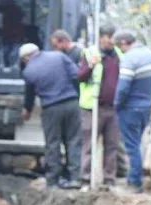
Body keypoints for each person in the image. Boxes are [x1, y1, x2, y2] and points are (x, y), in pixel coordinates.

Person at [21, 43, 83, 189]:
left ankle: (53, 181)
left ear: (26, 58)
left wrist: (27, 110)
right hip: (72, 103)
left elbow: (29, 95)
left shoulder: (29, 71)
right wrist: (76, 96)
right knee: (73, 140)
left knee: (52, 143)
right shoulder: (59, 56)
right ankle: (74, 178)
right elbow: (76, 75)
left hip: (51, 108)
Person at [113, 30, 151, 194]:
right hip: (146, 107)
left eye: (120, 47)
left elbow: (123, 87)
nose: (120, 50)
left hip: (130, 108)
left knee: (132, 146)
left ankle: (134, 183)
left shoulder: (129, 58)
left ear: (124, 43)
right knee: (137, 143)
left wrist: (117, 104)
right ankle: (134, 180)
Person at [77, 25, 121, 188]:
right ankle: (85, 180)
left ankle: (109, 180)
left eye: (114, 38)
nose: (112, 41)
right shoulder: (89, 54)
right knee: (89, 145)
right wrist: (91, 66)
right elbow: (80, 76)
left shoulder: (119, 56)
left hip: (113, 108)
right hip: (92, 107)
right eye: (109, 37)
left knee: (111, 145)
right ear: (101, 37)